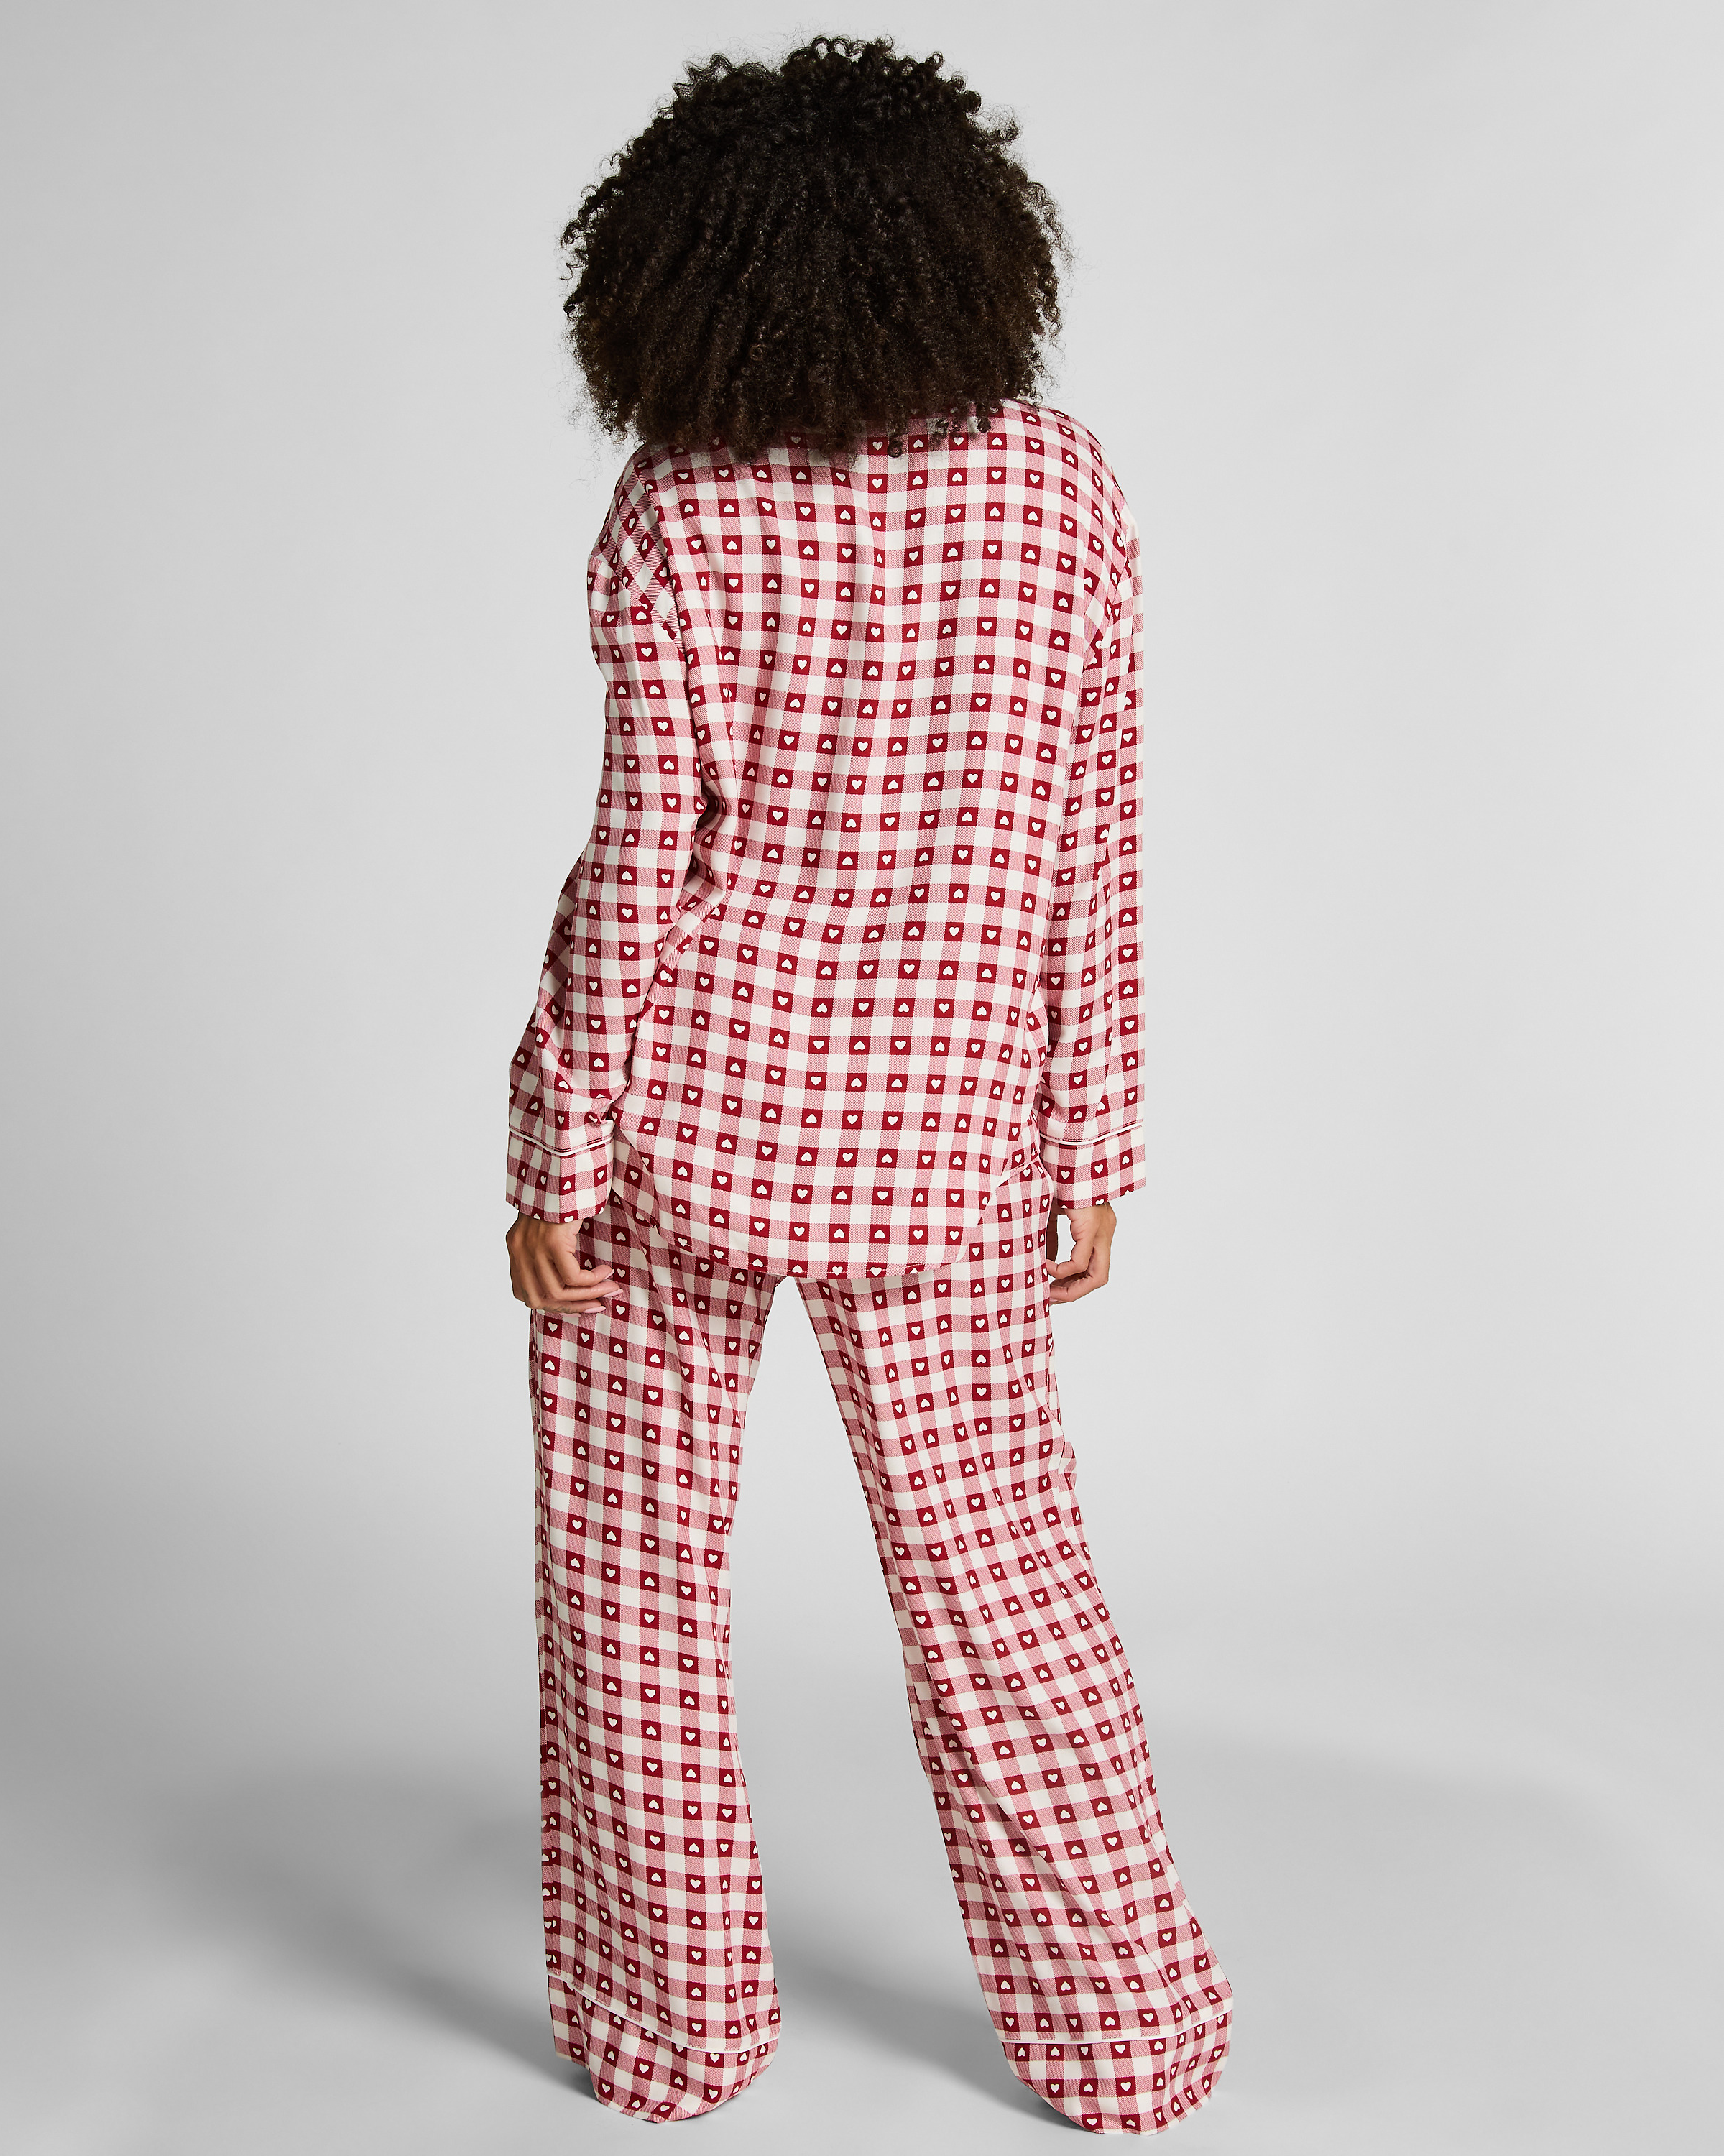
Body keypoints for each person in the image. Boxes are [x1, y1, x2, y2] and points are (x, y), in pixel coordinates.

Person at [504, 36, 1230, 2135]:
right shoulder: (1057, 491)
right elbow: (1091, 836)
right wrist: (1087, 1134)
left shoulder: (681, 511)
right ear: (966, 250)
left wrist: (557, 1143)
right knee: (1004, 1595)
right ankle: (1128, 2044)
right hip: (950, 1139)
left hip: (677, 1125)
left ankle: (669, 2037)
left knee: (630, 1592)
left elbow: (641, 866)